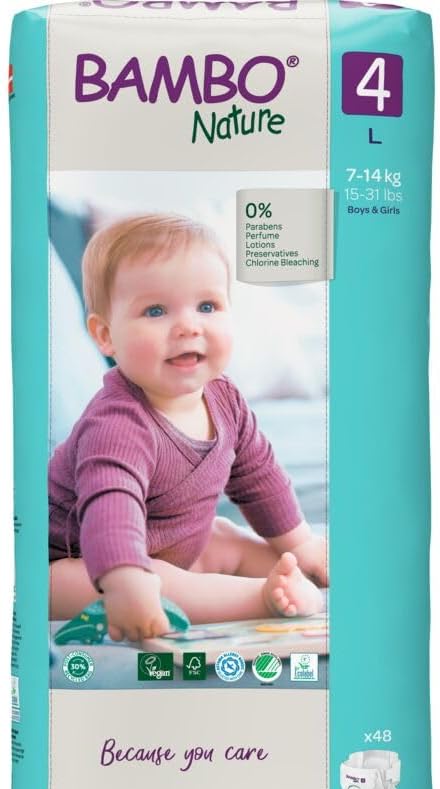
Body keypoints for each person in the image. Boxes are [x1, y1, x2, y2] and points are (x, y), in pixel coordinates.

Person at [49, 214, 328, 642]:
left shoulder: (224, 397)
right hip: (80, 560)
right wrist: (126, 580)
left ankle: (297, 574)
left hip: (178, 541)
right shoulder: (117, 424)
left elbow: (259, 476)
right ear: (105, 335)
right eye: (156, 311)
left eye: (207, 307)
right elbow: (111, 510)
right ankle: (260, 598)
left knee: (228, 538)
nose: (188, 327)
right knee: (157, 580)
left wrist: (299, 543)